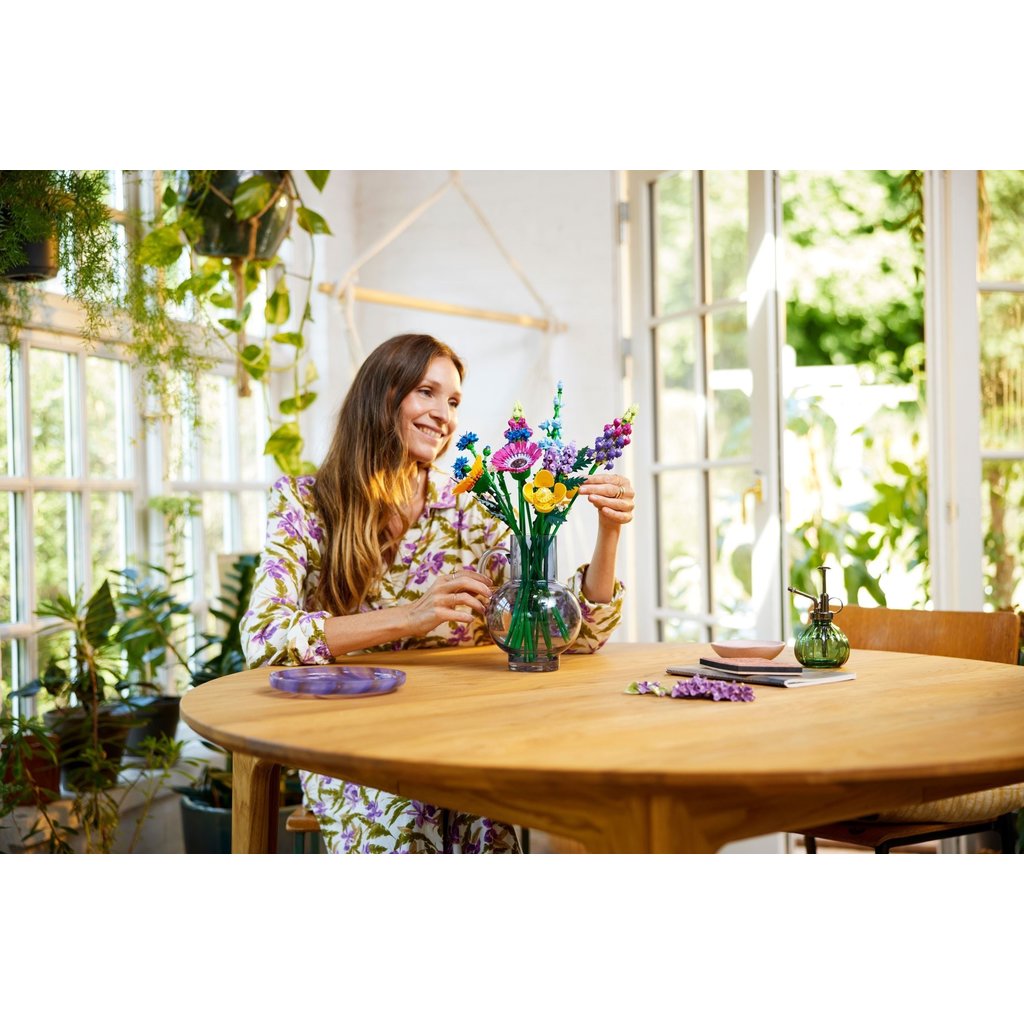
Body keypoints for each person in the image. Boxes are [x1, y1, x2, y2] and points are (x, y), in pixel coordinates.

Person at [241, 333, 634, 853]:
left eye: (452, 401)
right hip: (347, 740)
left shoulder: (472, 505)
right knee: (405, 818)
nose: (444, 414)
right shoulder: (305, 503)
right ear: (381, 396)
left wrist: (609, 532)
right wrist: (411, 617)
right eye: (427, 392)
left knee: (486, 825)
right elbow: (265, 638)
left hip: (456, 734)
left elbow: (560, 635)